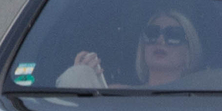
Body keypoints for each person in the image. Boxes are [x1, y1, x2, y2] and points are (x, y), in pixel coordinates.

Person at [59, 7, 202, 87]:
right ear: (143, 47)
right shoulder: (114, 93)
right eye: (152, 33)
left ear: (188, 51)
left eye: (173, 35)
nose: (160, 40)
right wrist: (82, 75)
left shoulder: (205, 96)